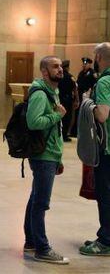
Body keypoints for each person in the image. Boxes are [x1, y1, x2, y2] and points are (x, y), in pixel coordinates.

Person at [24, 56, 68, 264]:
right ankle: (42, 248)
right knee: (41, 202)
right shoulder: (41, 94)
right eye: (55, 67)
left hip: (50, 154)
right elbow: (33, 122)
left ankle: (31, 241)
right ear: (44, 72)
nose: (60, 70)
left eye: (60, 66)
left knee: (35, 198)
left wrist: (58, 156)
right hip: (43, 156)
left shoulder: (53, 91)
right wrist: (57, 115)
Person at [79, 42, 110, 256]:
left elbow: (102, 115)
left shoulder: (105, 82)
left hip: (107, 151)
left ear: (99, 58)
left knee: (105, 194)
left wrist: (87, 101)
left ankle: (106, 240)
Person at [58, 60, 79, 142]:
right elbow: (75, 89)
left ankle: (60, 134)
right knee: (67, 117)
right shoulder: (70, 77)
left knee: (60, 116)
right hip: (68, 100)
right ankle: (65, 135)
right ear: (68, 67)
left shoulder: (59, 76)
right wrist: (77, 100)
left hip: (60, 99)